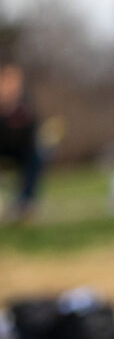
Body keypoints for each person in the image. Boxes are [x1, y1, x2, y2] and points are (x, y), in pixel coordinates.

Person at [0, 61, 44, 222]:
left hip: (21, 150)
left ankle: (25, 202)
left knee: (39, 154)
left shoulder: (25, 105)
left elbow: (33, 134)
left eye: (16, 81)